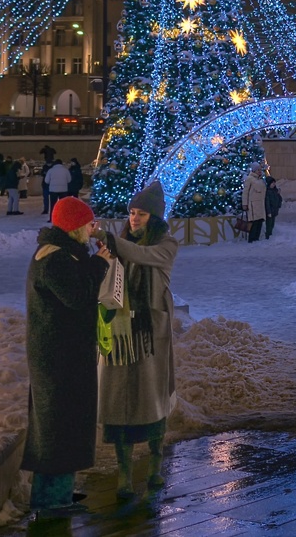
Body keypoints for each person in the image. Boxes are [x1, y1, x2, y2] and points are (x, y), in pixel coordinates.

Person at [21, 195, 111, 516]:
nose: (93, 228)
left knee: (66, 425)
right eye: (89, 223)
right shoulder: (53, 259)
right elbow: (77, 296)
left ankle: (59, 493)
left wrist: (92, 259)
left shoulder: (65, 253)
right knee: (58, 428)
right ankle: (50, 502)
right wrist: (100, 263)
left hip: (65, 355)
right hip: (57, 360)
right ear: (74, 227)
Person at [98, 180, 178, 499]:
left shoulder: (166, 246)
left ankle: (155, 467)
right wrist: (104, 260)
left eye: (142, 214)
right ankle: (124, 475)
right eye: (132, 212)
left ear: (154, 218)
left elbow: (141, 255)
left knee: (153, 401)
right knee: (120, 404)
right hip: (121, 334)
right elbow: (106, 285)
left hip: (150, 337)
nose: (134, 218)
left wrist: (109, 241)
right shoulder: (120, 245)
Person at [242, 165, 267, 243]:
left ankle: (257, 238)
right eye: (258, 170)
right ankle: (252, 239)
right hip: (253, 204)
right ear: (254, 170)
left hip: (260, 204)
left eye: (260, 169)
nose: (260, 171)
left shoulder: (261, 180)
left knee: (259, 221)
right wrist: (244, 204)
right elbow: (245, 192)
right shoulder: (250, 179)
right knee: (254, 222)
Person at [263, 175, 283, 239]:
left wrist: (278, 195)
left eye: (274, 183)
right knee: (269, 224)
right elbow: (267, 202)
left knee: (272, 224)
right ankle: (268, 235)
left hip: (274, 210)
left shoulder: (275, 191)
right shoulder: (268, 192)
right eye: (272, 183)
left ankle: (270, 234)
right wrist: (268, 212)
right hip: (270, 210)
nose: (274, 184)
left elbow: (279, 199)